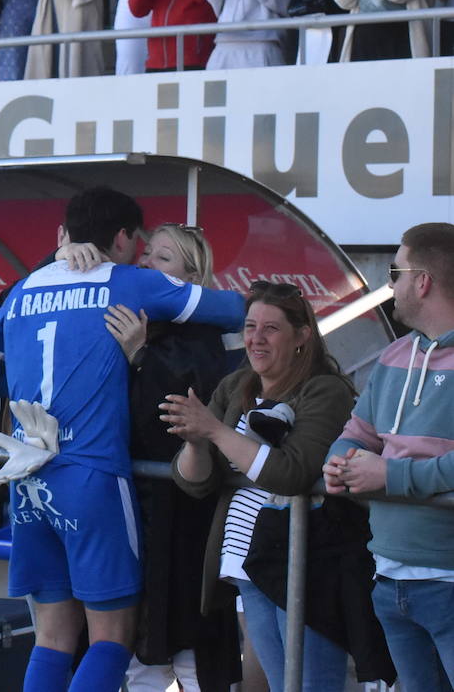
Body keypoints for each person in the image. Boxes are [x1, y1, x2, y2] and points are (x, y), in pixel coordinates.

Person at [0, 187, 245, 692]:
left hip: (27, 477)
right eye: (140, 243)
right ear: (122, 236)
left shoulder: (25, 288)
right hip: (91, 477)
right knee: (113, 635)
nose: (143, 254)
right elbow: (234, 310)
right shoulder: (130, 282)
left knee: (51, 637)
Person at [164, 281, 384, 692]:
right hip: (247, 562)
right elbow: (194, 481)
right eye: (250, 326)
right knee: (281, 684)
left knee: (309, 684)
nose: (256, 338)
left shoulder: (326, 390)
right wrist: (196, 441)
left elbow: (292, 473)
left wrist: (213, 430)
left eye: (271, 328)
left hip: (304, 563)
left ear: (302, 336)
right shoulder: (236, 386)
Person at [97, 225, 244, 692]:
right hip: (143, 511)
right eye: (144, 257)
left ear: (192, 278)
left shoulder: (200, 335)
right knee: (143, 643)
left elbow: (174, 421)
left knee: (185, 639)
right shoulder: (140, 326)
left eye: (162, 259)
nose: (146, 266)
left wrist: (140, 355)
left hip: (183, 515)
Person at [324, 223, 454, 690]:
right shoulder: (395, 354)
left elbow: (385, 464)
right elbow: (356, 433)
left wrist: (389, 475)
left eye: (395, 272)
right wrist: (339, 461)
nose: (390, 285)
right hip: (389, 577)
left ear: (423, 281)